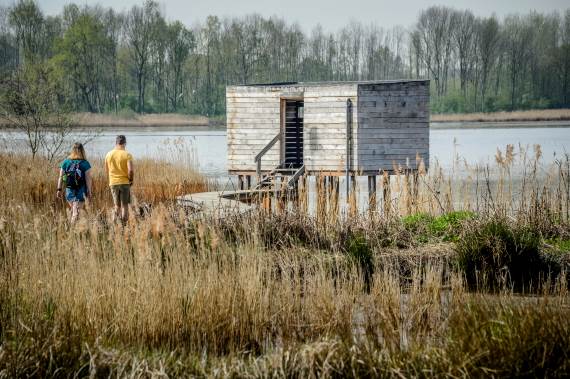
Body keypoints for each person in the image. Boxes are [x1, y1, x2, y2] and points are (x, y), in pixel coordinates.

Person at [57, 142, 92, 223]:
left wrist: (59, 189)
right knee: (76, 213)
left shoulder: (66, 162)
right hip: (81, 191)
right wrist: (89, 191)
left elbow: (61, 177)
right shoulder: (85, 163)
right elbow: (88, 179)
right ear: (82, 151)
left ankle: (73, 231)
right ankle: (71, 231)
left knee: (74, 211)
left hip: (69, 190)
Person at [105, 135, 134, 224]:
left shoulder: (108, 154)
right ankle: (124, 226)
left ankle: (114, 225)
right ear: (125, 143)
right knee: (124, 206)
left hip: (113, 183)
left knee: (116, 206)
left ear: (116, 143)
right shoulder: (127, 155)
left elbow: (107, 170)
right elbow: (131, 170)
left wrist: (111, 180)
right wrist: (131, 180)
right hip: (125, 183)